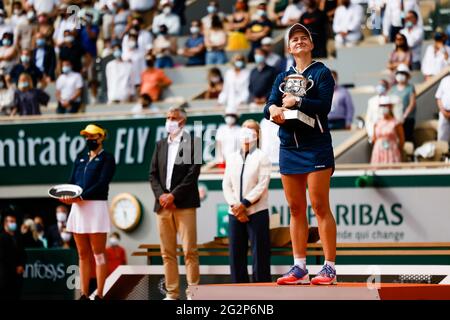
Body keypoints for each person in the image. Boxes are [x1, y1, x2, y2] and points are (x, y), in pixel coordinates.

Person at [265, 24, 337, 285]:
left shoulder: (321, 72)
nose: (299, 42)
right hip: (289, 148)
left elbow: (325, 107)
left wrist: (299, 102)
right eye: (294, 39)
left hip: (316, 146)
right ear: (288, 47)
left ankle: (329, 267)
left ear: (311, 44)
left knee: (319, 206)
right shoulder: (282, 77)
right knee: (295, 209)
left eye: (303, 38)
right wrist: (273, 107)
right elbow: (268, 104)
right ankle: (299, 266)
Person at [149, 106, 201, 300]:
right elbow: (152, 174)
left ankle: (193, 293)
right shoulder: (160, 144)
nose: (169, 120)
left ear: (182, 121)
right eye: (168, 117)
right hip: (162, 206)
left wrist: (173, 196)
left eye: (173, 117)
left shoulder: (193, 143)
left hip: (184, 205)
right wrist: (162, 195)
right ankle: (172, 294)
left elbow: (192, 174)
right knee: (167, 253)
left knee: (189, 251)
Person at [60, 123, 116, 300]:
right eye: (87, 137)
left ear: (101, 138)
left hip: (96, 207)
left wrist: (81, 196)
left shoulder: (108, 158)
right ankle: (84, 294)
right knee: (83, 254)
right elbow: (71, 180)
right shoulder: (80, 158)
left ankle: (99, 294)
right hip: (79, 208)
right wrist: (67, 196)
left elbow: (102, 183)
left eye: (92, 136)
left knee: (98, 253)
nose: (89, 140)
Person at [222, 119, 271, 283]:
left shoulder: (262, 157)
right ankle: (239, 291)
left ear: (257, 135)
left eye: (251, 129)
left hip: (257, 212)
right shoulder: (232, 157)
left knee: (260, 256)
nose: (246, 132)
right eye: (244, 128)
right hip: (234, 213)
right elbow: (226, 185)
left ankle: (262, 292)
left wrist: (245, 205)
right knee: (236, 255)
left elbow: (262, 185)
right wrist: (235, 207)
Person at [370, 96, 405, 164]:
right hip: (378, 152)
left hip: (392, 151)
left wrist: (396, 149)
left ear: (390, 107)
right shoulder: (377, 123)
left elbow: (401, 140)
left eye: (385, 106)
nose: (383, 108)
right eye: (381, 106)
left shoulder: (396, 123)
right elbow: (374, 139)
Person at [0, 212, 26, 300]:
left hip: (17, 278)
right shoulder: (2, 238)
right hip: (5, 277)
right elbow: (3, 257)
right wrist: (15, 267)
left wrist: (22, 265)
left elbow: (23, 254)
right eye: (11, 221)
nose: (13, 224)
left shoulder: (18, 237)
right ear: (5, 223)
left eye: (14, 221)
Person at [390, 64, 416, 143]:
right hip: (396, 119)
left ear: (407, 76)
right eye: (399, 73)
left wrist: (404, 116)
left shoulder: (410, 88)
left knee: (407, 139)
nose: (401, 75)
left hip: (407, 119)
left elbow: (412, 104)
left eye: (403, 73)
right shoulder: (393, 88)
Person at [436, 75, 450, 143]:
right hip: (444, 113)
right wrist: (444, 112)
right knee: (442, 137)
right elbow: (438, 97)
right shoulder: (444, 80)